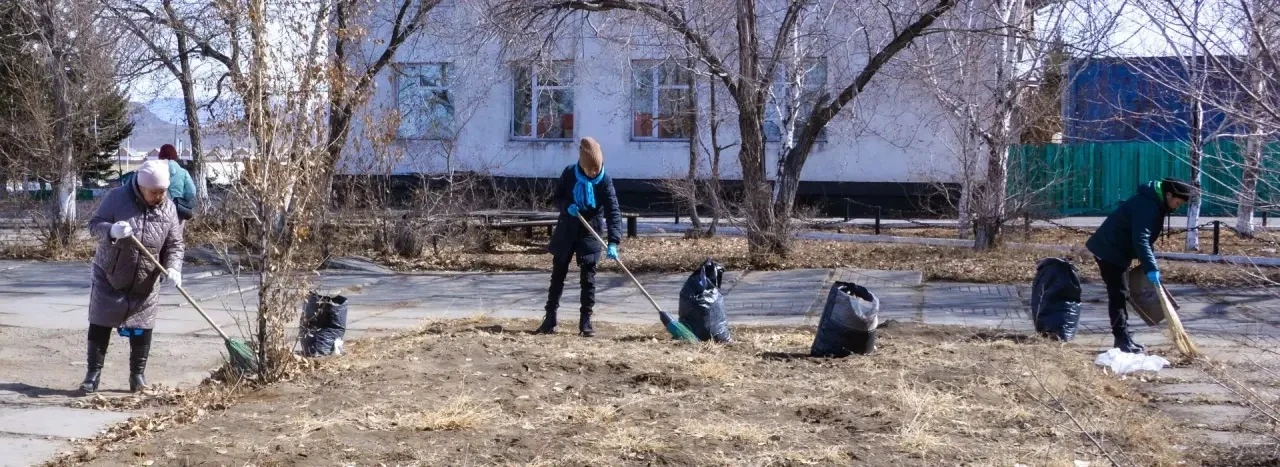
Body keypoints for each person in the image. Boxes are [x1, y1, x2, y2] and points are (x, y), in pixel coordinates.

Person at [80, 160, 185, 393]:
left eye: (163, 191)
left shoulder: (169, 208)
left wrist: (174, 267)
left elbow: (175, 244)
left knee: (142, 328)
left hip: (146, 279)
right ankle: (92, 375)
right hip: (110, 274)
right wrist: (111, 230)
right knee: (100, 323)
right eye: (154, 192)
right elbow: (94, 226)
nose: (159, 196)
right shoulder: (117, 197)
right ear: (141, 186)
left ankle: (137, 376)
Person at [1085, 177, 1192, 354]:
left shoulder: (1155, 202)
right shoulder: (1148, 205)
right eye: (1177, 202)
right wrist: (1151, 267)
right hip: (1109, 250)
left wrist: (1148, 262)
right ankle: (1121, 339)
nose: (1177, 206)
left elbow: (1144, 237)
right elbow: (1141, 238)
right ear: (1168, 194)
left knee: (1122, 294)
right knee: (1119, 295)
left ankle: (1124, 337)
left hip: (1117, 250)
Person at [536, 136, 622, 337]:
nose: (593, 172)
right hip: (566, 229)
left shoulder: (605, 181)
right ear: (582, 164)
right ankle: (550, 318)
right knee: (558, 275)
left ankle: (585, 321)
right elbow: (556, 199)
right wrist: (567, 206)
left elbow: (613, 211)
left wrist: (613, 241)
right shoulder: (569, 174)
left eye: (596, 169)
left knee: (588, 278)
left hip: (590, 231)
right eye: (589, 169)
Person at [121, 144, 198, 221]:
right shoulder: (183, 172)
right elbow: (192, 192)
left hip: (158, 207)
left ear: (160, 156)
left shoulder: (155, 171)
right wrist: (181, 199)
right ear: (175, 156)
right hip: (179, 210)